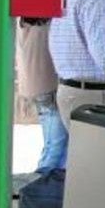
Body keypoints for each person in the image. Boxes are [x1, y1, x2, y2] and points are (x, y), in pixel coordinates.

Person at [16, 14, 67, 172]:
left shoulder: (23, 24)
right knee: (56, 146)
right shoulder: (47, 26)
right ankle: (41, 185)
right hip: (48, 87)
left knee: (54, 144)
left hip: (35, 87)